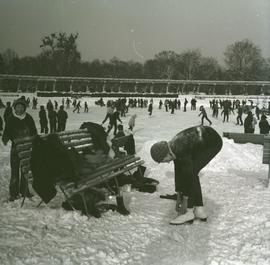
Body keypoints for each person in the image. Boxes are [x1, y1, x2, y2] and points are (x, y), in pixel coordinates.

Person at [150, 125, 223, 225]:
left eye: (164, 161)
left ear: (166, 154)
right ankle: (199, 210)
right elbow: (178, 171)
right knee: (188, 171)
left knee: (192, 172)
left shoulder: (180, 149)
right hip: (202, 138)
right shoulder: (173, 148)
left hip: (213, 142)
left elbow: (188, 176)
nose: (166, 163)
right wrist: (179, 192)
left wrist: (185, 201)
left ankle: (189, 212)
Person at [2, 97, 37, 201]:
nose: (20, 109)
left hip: (26, 148)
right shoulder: (10, 118)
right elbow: (6, 132)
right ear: (14, 108)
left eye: (22, 107)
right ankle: (13, 192)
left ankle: (24, 190)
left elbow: (34, 131)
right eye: (18, 107)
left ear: (25, 108)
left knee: (25, 170)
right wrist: (5, 138)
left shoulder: (28, 118)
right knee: (14, 170)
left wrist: (34, 139)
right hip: (15, 148)